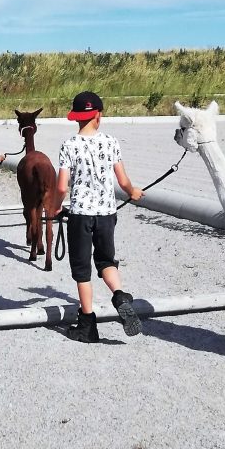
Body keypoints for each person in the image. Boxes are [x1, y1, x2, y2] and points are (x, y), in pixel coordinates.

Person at [53, 91, 144, 343]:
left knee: (82, 270)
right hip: (107, 212)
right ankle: (120, 296)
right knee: (106, 262)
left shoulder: (69, 145)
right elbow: (123, 180)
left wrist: (54, 207)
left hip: (81, 214)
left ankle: (87, 325)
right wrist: (133, 192)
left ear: (77, 118)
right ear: (98, 115)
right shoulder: (111, 142)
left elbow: (62, 187)